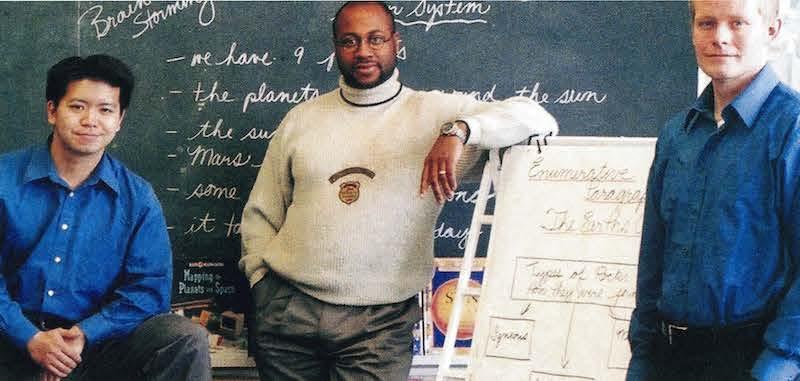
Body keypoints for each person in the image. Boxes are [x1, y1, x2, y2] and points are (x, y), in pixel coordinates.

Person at [239, 1, 558, 379]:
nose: (363, 52)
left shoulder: (437, 112)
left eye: (376, 39)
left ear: (396, 42)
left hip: (380, 327)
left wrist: (459, 131)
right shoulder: (302, 118)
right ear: (335, 47)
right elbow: (262, 212)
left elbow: (538, 119)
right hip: (288, 314)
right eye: (349, 41)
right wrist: (261, 282)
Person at [0, 55, 211, 381]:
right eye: (78, 107)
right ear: (52, 111)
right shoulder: (4, 179)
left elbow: (148, 291)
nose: (90, 120)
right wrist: (31, 339)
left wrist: (82, 336)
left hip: (95, 349)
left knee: (184, 337)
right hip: (10, 339)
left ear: (120, 120)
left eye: (105, 110)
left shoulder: (138, 198)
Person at [627, 0, 800, 380]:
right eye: (707, 23)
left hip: (752, 360)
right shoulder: (677, 134)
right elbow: (653, 256)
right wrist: (641, 356)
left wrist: (777, 367)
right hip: (667, 356)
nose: (720, 38)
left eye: (737, 23)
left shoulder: (793, 129)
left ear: (772, 30)